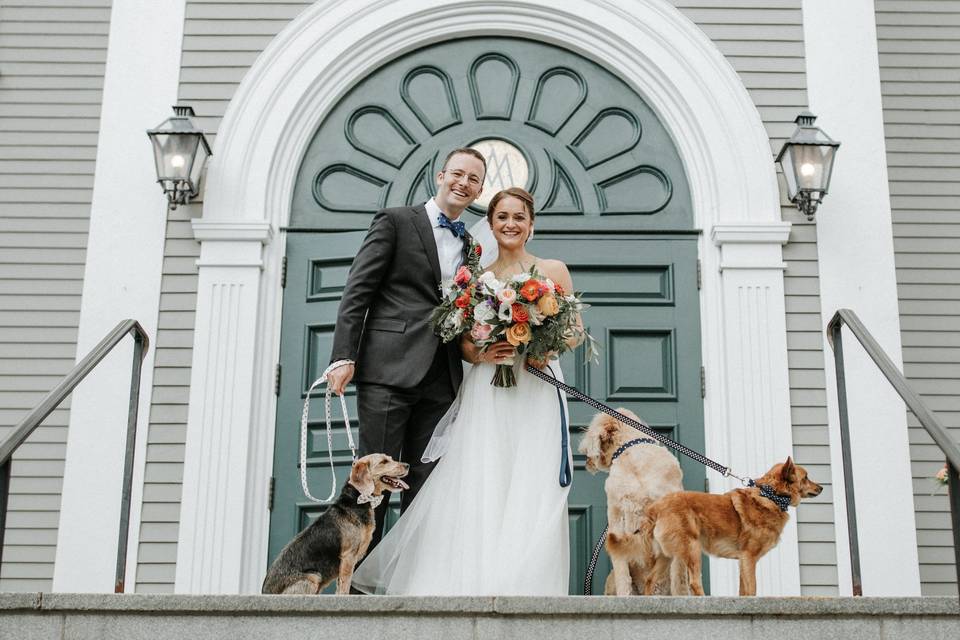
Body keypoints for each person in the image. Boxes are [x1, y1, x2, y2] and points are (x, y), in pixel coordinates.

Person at [351, 187, 577, 595]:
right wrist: (486, 352)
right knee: (483, 477)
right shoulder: (477, 279)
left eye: (519, 217)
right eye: (502, 217)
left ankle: (526, 586)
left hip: (538, 389)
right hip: (490, 389)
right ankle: (474, 581)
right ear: (490, 225)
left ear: (531, 224)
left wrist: (543, 345)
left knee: (533, 480)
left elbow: (575, 333)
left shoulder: (553, 270)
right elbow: (464, 345)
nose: (511, 224)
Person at [327, 147, 486, 548]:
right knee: (373, 482)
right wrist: (343, 356)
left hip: (442, 375)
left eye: (473, 179)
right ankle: (357, 594)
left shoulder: (470, 244)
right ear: (440, 175)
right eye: (458, 174)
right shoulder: (397, 221)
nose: (463, 183)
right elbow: (358, 290)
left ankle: (412, 589)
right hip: (388, 369)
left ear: (480, 189)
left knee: (425, 487)